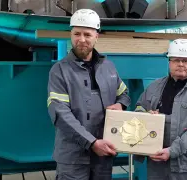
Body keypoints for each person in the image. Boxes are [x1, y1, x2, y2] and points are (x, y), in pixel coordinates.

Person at [47, 9, 131, 180]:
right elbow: (60, 113)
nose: (82, 39)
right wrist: (91, 143)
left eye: (87, 34)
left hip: (103, 155)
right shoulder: (59, 70)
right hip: (72, 157)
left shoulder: (108, 67)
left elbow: (124, 94)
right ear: (70, 35)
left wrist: (121, 104)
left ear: (96, 36)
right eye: (77, 34)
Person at [134, 39, 187, 180]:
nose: (180, 64)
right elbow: (138, 111)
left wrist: (172, 151)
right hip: (157, 164)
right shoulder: (154, 87)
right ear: (169, 62)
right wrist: (147, 116)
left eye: (186, 60)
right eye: (176, 60)